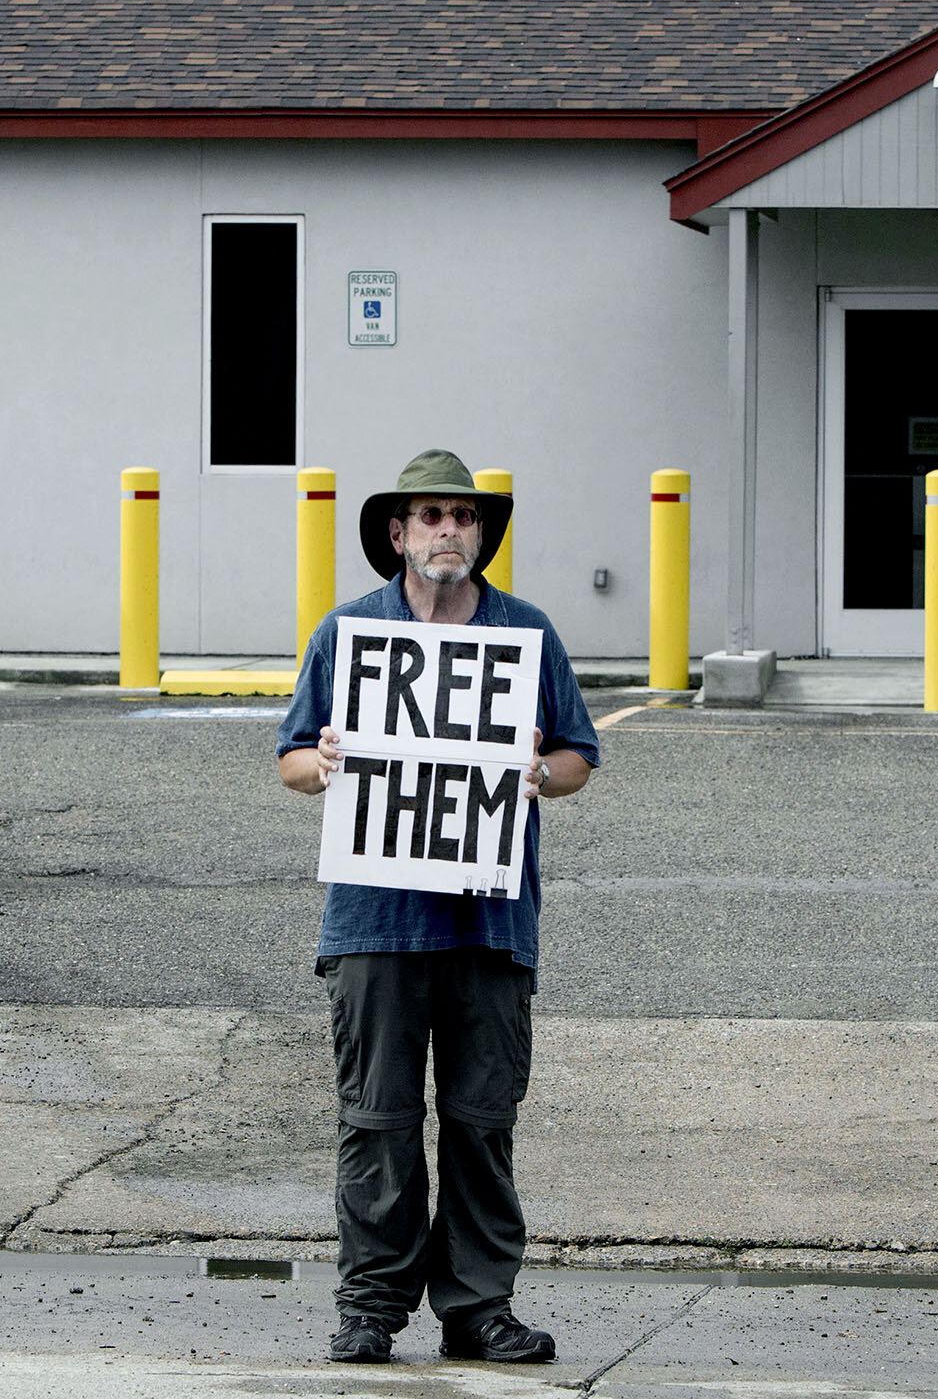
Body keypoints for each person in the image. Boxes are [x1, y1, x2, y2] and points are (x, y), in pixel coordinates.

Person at [277, 448, 598, 1366]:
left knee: (480, 1120)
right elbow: (293, 761)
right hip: (376, 921)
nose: (448, 530)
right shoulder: (349, 637)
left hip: (489, 921)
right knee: (375, 1121)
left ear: (482, 534)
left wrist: (538, 772)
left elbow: (579, 758)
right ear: (397, 533)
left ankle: (478, 1309)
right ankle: (370, 1309)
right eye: (430, 516)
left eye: (464, 516)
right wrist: (329, 762)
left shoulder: (524, 635)